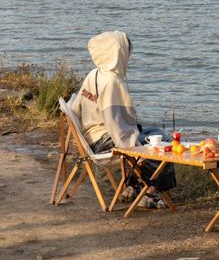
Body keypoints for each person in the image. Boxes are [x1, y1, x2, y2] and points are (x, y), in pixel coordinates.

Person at [71, 29, 175, 208]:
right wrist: (135, 143)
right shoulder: (112, 82)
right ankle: (150, 192)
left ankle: (134, 186)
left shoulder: (94, 74)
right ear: (118, 53)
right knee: (162, 143)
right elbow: (117, 127)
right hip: (105, 142)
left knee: (155, 133)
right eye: (127, 53)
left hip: (90, 138)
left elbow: (75, 108)